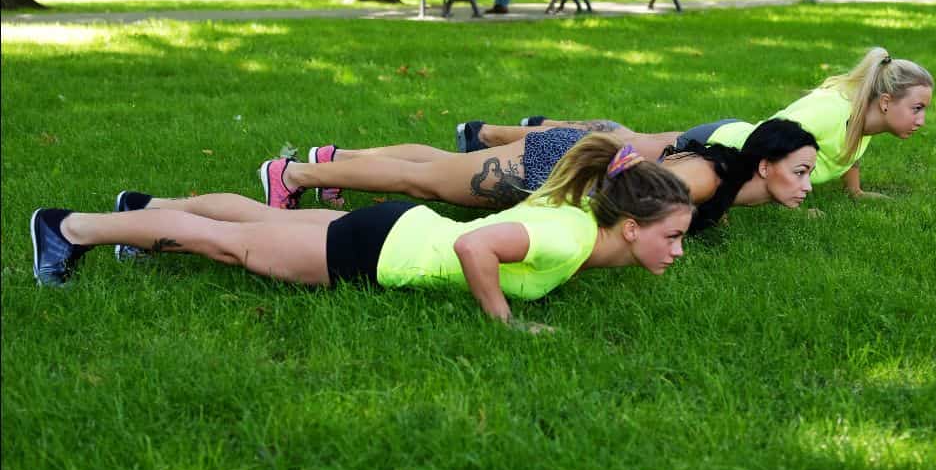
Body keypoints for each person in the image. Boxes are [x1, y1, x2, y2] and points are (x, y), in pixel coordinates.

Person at [30, 134, 693, 332]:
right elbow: (475, 246)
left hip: (398, 227)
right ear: (631, 227)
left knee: (261, 220)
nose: (680, 249)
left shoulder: (578, 213)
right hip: (378, 250)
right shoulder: (571, 239)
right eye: (673, 236)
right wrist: (504, 321)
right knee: (228, 243)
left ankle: (143, 208)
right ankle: (72, 228)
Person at [455, 47, 934, 199]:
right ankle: (489, 135)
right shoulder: (831, 111)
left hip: (723, 138)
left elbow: (848, 152)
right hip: (718, 146)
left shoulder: (863, 119)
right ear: (885, 101)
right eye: (917, 108)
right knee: (615, 149)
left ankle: (531, 125)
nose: (922, 119)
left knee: (626, 138)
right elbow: (772, 139)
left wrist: (854, 191)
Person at [259, 118, 817, 234]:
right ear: (764, 166)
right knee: (423, 181)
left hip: (563, 157)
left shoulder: (729, 180)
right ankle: (294, 174)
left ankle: (334, 159)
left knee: (434, 165)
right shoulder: (706, 181)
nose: (809, 183)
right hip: (552, 167)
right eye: (801, 172)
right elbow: (629, 194)